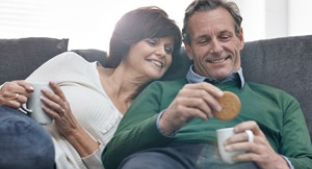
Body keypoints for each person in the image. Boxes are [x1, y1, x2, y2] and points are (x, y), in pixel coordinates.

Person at [101, 0, 312, 169]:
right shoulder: (159, 91)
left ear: (240, 38)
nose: (216, 48)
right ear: (189, 49)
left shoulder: (281, 101)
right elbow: (111, 157)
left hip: (242, 162)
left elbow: (306, 162)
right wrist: (166, 121)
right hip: (164, 160)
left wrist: (276, 162)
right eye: (203, 40)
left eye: (224, 36)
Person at [0, 6, 181, 169]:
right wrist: (5, 92)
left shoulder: (146, 116)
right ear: (128, 41)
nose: (161, 53)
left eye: (169, 49)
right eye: (152, 42)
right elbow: (21, 107)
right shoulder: (73, 64)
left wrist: (73, 130)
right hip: (22, 136)